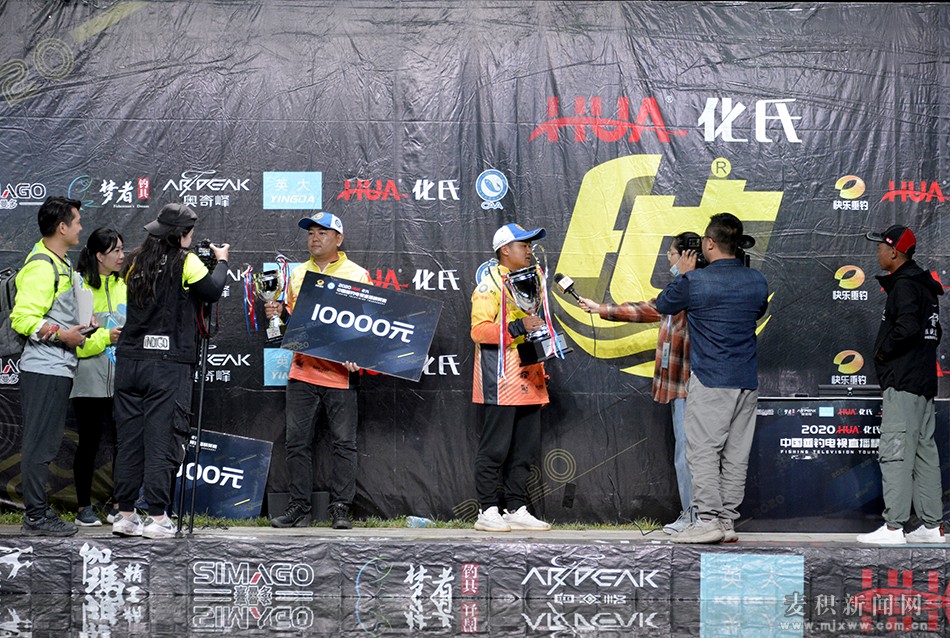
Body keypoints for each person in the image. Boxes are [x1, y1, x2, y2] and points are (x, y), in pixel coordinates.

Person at [111, 203, 229, 539]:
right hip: (167, 366)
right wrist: (222, 261)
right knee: (162, 441)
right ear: (181, 235)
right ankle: (158, 517)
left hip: (130, 362)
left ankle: (125, 515)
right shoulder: (185, 261)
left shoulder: (134, 261)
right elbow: (212, 291)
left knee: (130, 442)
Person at [577, 231, 700, 535]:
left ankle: (696, 518)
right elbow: (650, 309)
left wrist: (688, 277)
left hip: (693, 385)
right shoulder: (678, 291)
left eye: (672, 253)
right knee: (687, 454)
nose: (668, 258)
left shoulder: (694, 289)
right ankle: (694, 515)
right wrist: (601, 309)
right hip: (681, 386)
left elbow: (656, 309)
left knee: (691, 455)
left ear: (686, 256)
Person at [656, 212, 768, 544]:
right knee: (736, 456)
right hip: (746, 381)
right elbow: (758, 310)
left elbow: (664, 303)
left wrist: (684, 274)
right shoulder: (757, 281)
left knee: (703, 452)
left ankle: (706, 520)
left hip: (711, 379)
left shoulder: (695, 282)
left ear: (709, 243)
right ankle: (727, 522)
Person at [267, 212, 370, 530]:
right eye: (311, 232)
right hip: (302, 371)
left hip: (341, 373)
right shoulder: (296, 274)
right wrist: (276, 313)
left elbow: (369, 324)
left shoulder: (357, 274)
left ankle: (341, 507)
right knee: (296, 443)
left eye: (323, 233)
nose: (314, 238)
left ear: (339, 239)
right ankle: (299, 506)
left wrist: (358, 355)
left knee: (344, 444)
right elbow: (290, 321)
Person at [856, 225, 944, 545]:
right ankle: (932, 526)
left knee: (895, 453)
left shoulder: (904, 285)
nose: (877, 251)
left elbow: (906, 327)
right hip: (922, 382)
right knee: (924, 454)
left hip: (904, 382)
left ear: (894, 252)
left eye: (881, 247)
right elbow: (935, 332)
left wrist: (882, 352)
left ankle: (894, 528)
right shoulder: (924, 285)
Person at [11, 195, 91, 536]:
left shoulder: (62, 264)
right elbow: (22, 318)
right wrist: (63, 335)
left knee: (47, 443)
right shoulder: (41, 267)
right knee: (39, 443)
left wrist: (84, 326)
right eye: (77, 222)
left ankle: (38, 512)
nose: (81, 228)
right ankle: (35, 516)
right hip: (43, 369)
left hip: (59, 368)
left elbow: (59, 315)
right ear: (61, 227)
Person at [471, 223, 552, 532]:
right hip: (500, 379)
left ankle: (516, 508)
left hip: (530, 376)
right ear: (505, 250)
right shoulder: (488, 286)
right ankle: (487, 510)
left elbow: (537, 326)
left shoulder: (533, 281)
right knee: (495, 449)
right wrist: (518, 327)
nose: (529, 251)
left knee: (524, 450)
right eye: (523, 245)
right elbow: (479, 332)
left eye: (530, 245)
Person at [70, 228, 126, 527]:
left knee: (123, 443)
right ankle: (83, 508)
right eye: (116, 251)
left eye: (122, 249)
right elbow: (77, 344)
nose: (121, 256)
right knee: (89, 444)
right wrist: (106, 336)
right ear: (99, 255)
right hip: (88, 378)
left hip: (123, 380)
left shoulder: (125, 285)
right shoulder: (79, 287)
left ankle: (120, 506)